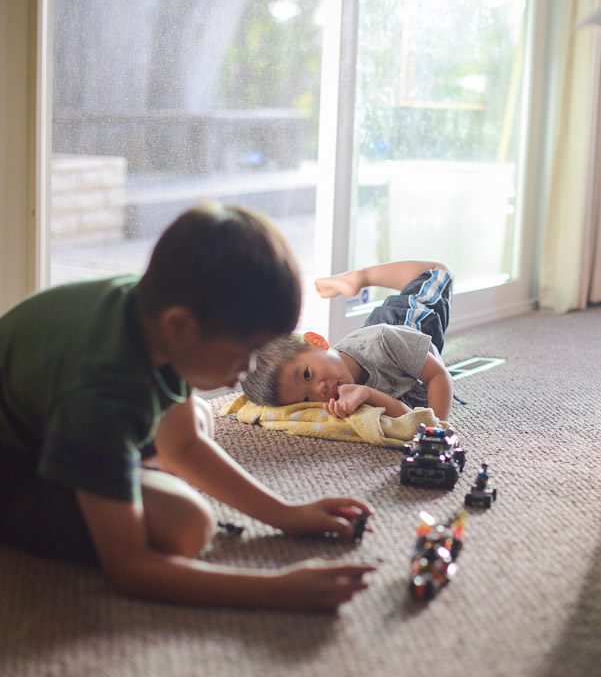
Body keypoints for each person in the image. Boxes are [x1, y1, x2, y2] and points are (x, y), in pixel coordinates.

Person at [0, 202, 375, 612]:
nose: (249, 369)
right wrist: (277, 589)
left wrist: (288, 514)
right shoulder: (104, 391)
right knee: (187, 526)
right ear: (179, 327)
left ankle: (106, 469)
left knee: (196, 417)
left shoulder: (157, 313)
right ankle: (99, 473)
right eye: (243, 352)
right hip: (15, 466)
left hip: (55, 422)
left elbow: (182, 446)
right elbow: (130, 569)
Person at [243, 260, 454, 422]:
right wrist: (368, 394)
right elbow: (406, 417)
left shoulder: (383, 342)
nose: (319, 392)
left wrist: (438, 429)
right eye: (305, 400)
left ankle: (361, 277)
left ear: (317, 342)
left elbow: (438, 375)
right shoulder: (339, 400)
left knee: (438, 272)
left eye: (307, 375)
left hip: (409, 321)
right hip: (371, 345)